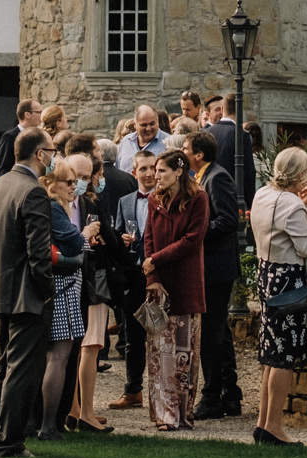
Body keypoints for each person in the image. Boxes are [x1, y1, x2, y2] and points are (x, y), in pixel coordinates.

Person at [0, 128, 55, 458]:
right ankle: (10, 442)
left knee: (2, 367)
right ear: (40, 154)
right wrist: (47, 290)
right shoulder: (33, 191)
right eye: (51, 151)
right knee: (21, 371)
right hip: (25, 294)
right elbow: (38, 252)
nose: (53, 157)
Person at [250, 146, 307, 447]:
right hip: (287, 281)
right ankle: (274, 426)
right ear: (301, 173)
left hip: (266, 272)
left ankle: (263, 423)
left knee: (271, 353)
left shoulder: (262, 194)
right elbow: (305, 247)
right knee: (284, 356)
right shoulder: (292, 204)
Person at [142, 149, 209, 432]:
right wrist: (152, 276)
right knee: (159, 353)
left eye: (162, 171)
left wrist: (156, 259)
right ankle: (163, 414)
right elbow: (148, 237)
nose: (155, 176)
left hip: (185, 283)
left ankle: (182, 413)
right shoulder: (154, 200)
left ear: (178, 171)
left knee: (183, 352)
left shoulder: (198, 199)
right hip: (158, 284)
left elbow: (192, 240)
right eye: (155, 170)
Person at [188, 127, 242, 421]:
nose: (184, 154)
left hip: (216, 268)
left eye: (187, 149)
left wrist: (196, 232)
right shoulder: (202, 176)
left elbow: (228, 220)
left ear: (199, 154)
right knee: (218, 331)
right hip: (211, 267)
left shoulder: (216, 177)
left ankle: (212, 396)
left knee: (212, 333)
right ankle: (229, 393)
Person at [36, 155, 89, 440]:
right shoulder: (54, 208)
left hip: (60, 285)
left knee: (56, 356)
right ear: (50, 183)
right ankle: (48, 425)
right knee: (58, 356)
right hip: (62, 286)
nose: (73, 187)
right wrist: (86, 234)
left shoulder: (53, 207)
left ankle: (47, 422)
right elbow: (73, 241)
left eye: (75, 181)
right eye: (67, 182)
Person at [67, 145, 116, 435]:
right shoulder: (63, 205)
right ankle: (78, 410)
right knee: (85, 347)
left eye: (87, 177)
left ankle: (80, 410)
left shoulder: (86, 204)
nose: (82, 182)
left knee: (84, 347)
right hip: (80, 282)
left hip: (87, 281)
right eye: (78, 176)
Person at [108, 148, 157, 409]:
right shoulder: (125, 201)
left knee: (161, 334)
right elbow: (117, 233)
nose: (149, 173)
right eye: (144, 169)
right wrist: (122, 240)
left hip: (158, 275)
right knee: (132, 337)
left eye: (153, 168)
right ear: (134, 172)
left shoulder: (165, 198)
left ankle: (162, 392)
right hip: (133, 275)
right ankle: (133, 390)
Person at [212, 104, 257, 204]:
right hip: (232, 197)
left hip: (209, 194)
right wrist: (250, 202)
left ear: (222, 109)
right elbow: (248, 171)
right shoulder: (242, 135)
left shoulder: (207, 132)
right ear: (240, 111)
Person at [0, 99, 43, 178]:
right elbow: (4, 168)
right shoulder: (9, 137)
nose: (41, 116)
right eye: (39, 112)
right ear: (27, 114)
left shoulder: (39, 137)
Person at [116, 102, 166, 172]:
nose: (148, 129)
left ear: (157, 122)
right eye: (144, 125)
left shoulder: (167, 143)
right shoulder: (126, 142)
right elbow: (118, 169)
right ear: (135, 125)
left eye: (152, 124)